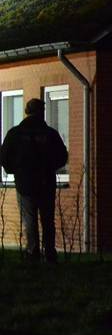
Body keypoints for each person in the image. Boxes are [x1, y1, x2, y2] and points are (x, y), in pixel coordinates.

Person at [0, 98, 69, 263]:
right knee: (47, 219)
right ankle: (49, 252)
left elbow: (4, 156)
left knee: (29, 218)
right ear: (42, 112)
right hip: (46, 182)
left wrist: (15, 170)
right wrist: (50, 168)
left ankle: (33, 252)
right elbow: (62, 156)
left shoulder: (15, 134)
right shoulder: (50, 134)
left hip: (25, 183)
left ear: (27, 111)